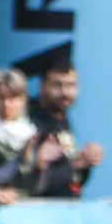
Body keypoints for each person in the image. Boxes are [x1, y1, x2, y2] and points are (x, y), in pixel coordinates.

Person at [21, 61, 102, 199]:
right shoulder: (29, 121)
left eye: (70, 85)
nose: (65, 92)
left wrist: (85, 163)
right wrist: (75, 165)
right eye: (57, 85)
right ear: (42, 86)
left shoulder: (61, 118)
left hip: (65, 212)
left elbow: (70, 180)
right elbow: (28, 183)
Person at [0, 64, 38, 184]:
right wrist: (19, 161)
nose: (6, 104)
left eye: (13, 98)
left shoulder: (32, 132)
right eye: (0, 98)